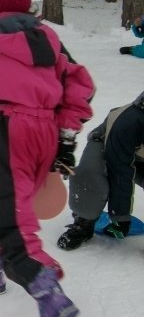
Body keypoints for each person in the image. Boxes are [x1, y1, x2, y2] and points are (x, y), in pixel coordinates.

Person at [0, 0, 94, 317]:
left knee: (13, 215)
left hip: (11, 129)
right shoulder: (48, 39)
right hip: (48, 131)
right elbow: (79, 84)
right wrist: (66, 137)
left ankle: (45, 288)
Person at [57, 92, 144, 250]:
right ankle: (83, 223)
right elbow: (119, 171)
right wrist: (120, 216)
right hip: (106, 147)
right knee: (91, 178)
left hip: (139, 154)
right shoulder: (130, 122)